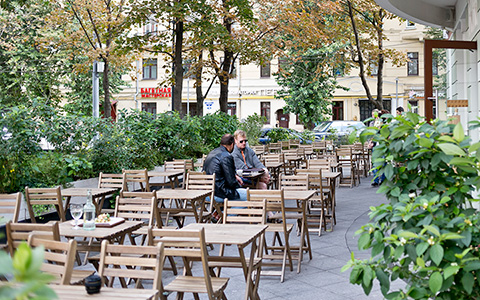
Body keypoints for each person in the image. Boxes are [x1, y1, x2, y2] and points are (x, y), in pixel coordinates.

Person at [203, 134, 247, 204]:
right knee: (248, 196)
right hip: (219, 193)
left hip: (206, 193)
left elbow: (218, 171)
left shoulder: (211, 153)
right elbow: (231, 182)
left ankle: (219, 212)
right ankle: (227, 214)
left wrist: (235, 176)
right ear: (232, 144)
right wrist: (241, 186)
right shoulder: (227, 156)